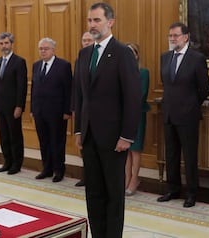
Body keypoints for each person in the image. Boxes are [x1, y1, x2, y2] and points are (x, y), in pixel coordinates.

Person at [74, 2, 142, 237]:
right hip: (89, 136)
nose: (92, 25)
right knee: (93, 192)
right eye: (90, 20)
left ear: (110, 22)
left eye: (97, 20)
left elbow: (133, 98)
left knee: (114, 195)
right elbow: (79, 95)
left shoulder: (123, 53)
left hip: (115, 139)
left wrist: (127, 135)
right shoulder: (84, 54)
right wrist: (77, 130)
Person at [157, 22, 209, 208]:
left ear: (186, 37)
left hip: (188, 116)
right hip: (169, 113)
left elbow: (205, 88)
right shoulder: (165, 58)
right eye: (170, 36)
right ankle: (173, 189)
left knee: (189, 156)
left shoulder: (196, 58)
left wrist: (191, 105)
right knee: (171, 154)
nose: (172, 39)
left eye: (176, 36)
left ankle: (191, 193)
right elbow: (166, 84)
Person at [31, 37, 72, 183]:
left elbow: (68, 89)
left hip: (57, 113)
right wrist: (32, 108)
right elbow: (34, 88)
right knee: (44, 141)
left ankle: (59, 170)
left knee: (57, 142)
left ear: (53, 50)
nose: (43, 51)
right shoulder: (36, 65)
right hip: (39, 111)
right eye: (41, 49)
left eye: (46, 48)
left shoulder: (63, 65)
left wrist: (67, 111)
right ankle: (46, 169)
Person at [0, 32, 28, 175]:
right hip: (0, 107)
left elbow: (22, 86)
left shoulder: (19, 62)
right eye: (1, 43)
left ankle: (16, 164)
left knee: (15, 136)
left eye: (6, 43)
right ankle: (7, 162)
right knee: (4, 136)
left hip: (13, 107)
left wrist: (19, 106)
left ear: (11, 44)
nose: (4, 46)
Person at [124, 42, 150, 196]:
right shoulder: (121, 71)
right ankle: (126, 179)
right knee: (126, 149)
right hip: (123, 116)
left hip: (137, 114)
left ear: (136, 54)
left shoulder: (143, 72)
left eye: (132, 52)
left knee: (135, 149)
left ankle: (135, 179)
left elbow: (142, 94)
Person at [74, 31, 94, 187]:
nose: (86, 42)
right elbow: (76, 88)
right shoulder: (80, 58)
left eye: (89, 40)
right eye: (84, 40)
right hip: (83, 110)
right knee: (84, 146)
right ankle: (86, 175)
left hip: (100, 115)